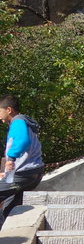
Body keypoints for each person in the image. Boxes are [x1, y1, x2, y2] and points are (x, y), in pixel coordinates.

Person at [0, 94, 45, 229]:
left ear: (9, 110)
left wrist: (11, 158)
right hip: (30, 173)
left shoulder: (18, 122)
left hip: (23, 173)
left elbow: (22, 141)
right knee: (9, 207)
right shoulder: (23, 122)